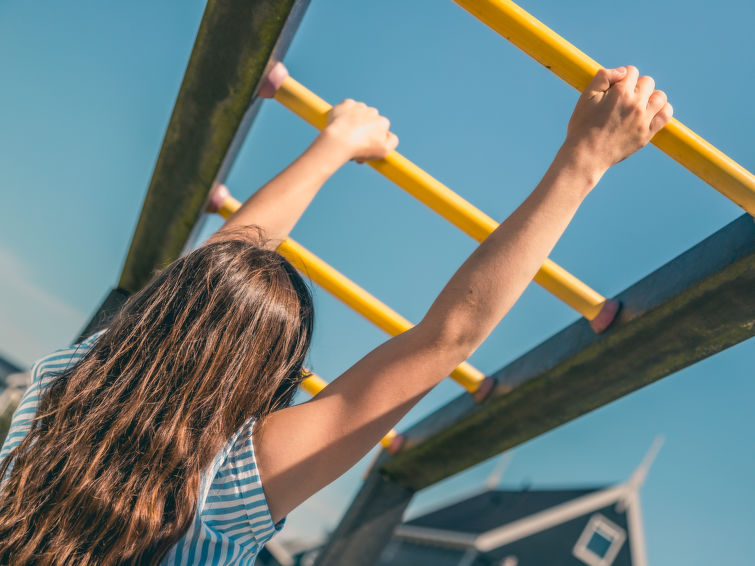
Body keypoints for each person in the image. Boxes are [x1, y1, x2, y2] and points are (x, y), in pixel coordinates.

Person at [0, 65, 671, 564]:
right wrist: (585, 159)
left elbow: (217, 269)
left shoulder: (66, 383)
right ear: (261, 379)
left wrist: (334, 143)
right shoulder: (227, 484)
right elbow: (446, 337)